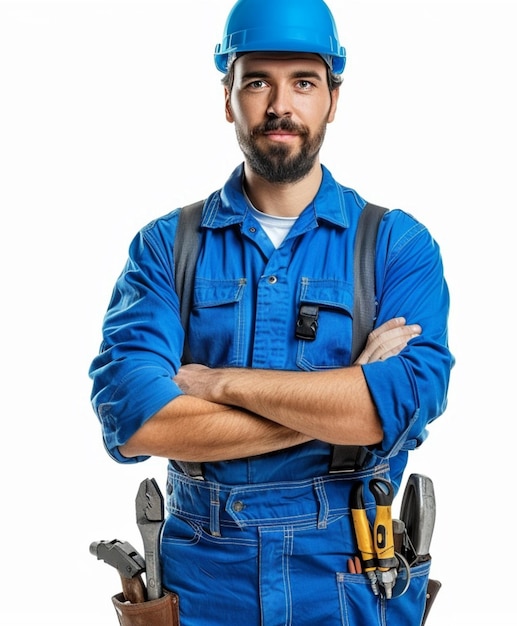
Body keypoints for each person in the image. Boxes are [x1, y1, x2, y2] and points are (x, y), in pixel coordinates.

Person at [89, 0, 454, 624]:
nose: (280, 104)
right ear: (228, 97)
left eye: (303, 82)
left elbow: (400, 402)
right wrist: (339, 406)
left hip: (351, 574)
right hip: (204, 580)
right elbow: (137, 420)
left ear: (332, 100)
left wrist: (218, 383)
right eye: (257, 80)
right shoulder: (165, 247)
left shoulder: (397, 245)